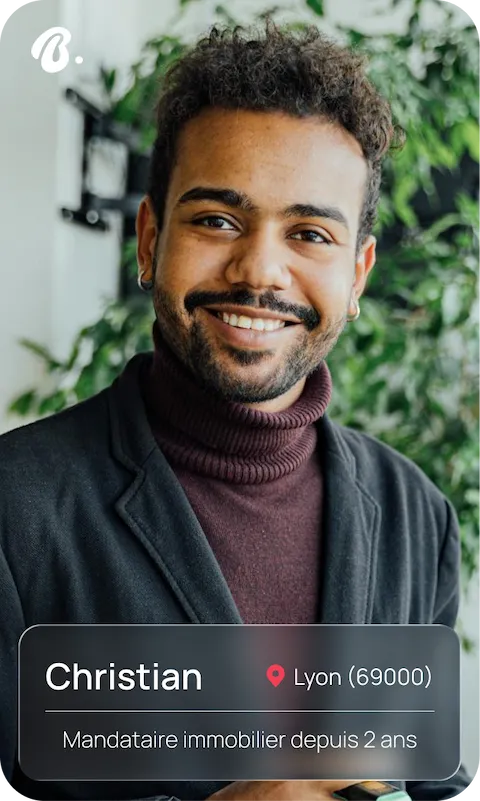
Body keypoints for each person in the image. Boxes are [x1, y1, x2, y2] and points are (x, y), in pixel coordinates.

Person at [0, 20, 474, 801]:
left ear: (357, 275)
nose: (260, 270)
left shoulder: (416, 515)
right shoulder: (17, 511)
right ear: (149, 237)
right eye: (216, 220)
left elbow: (428, 777)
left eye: (310, 233)